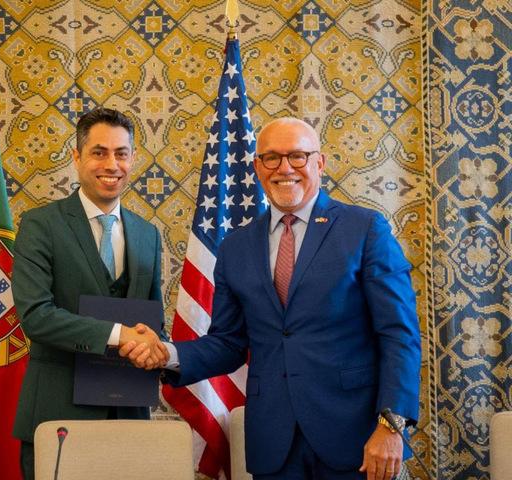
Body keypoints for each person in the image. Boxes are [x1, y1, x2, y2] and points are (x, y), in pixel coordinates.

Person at [123, 118, 421, 480]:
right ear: (257, 167)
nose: (285, 168)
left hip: (355, 437)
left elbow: (399, 334)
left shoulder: (365, 229)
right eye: (272, 158)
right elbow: (228, 343)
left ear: (320, 163)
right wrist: (166, 353)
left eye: (297, 156)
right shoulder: (235, 247)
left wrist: (392, 425)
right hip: (274, 444)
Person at [12, 108, 168, 479]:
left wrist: (157, 347)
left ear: (133, 158)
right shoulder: (40, 225)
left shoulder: (147, 234)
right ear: (77, 157)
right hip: (58, 418)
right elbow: (36, 316)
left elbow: (153, 321)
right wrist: (120, 335)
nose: (111, 164)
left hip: (129, 417)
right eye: (99, 152)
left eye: (121, 153)